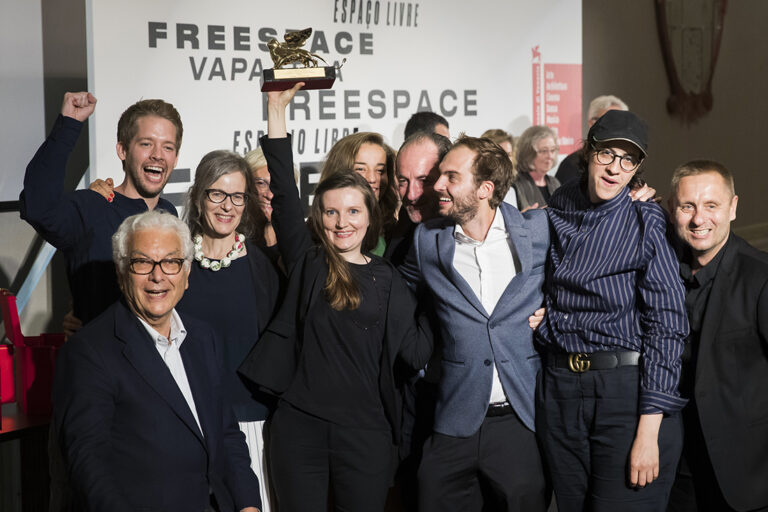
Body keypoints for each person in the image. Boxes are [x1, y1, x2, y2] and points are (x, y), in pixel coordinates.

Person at [238, 83, 432, 512]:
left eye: (353, 211)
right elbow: (285, 195)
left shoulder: (388, 279)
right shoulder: (310, 263)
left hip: (366, 438)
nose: (342, 222)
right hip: (299, 432)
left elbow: (416, 352)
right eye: (331, 211)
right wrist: (275, 109)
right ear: (319, 217)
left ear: (370, 215)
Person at [52, 210, 261, 512]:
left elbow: (226, 433)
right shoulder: (90, 351)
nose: (158, 276)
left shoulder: (203, 339)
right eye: (142, 263)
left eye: (171, 262)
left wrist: (248, 505)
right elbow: (88, 463)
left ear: (187, 274)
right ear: (122, 273)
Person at [535, 110, 687, 511]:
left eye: (628, 160)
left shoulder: (645, 218)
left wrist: (649, 432)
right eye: (607, 154)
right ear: (589, 150)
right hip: (560, 389)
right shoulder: (560, 202)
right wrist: (542, 313)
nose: (615, 169)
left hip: (624, 392)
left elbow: (667, 325)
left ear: (637, 168)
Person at [399, 134, 551, 511]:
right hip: (454, 418)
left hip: (521, 418)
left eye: (451, 176)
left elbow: (584, 272)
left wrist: (555, 311)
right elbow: (391, 292)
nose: (437, 186)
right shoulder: (427, 241)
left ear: (485, 188)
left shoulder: (538, 231)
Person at [177, 150, 282, 512]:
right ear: (198, 196)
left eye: (237, 196)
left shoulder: (261, 267)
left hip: (251, 424)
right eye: (216, 194)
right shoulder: (176, 265)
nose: (227, 206)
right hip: (189, 424)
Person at [20, 91, 182, 325]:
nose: (157, 155)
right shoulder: (92, 206)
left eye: (167, 147)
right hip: (100, 358)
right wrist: (69, 125)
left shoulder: (169, 215)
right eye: (146, 144)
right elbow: (39, 205)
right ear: (122, 150)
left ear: (176, 158)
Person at [666, 161, 768, 512]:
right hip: (675, 474)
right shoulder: (658, 275)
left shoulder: (761, 278)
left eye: (711, 205)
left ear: (733, 208)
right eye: (687, 206)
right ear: (671, 208)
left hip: (747, 478)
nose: (699, 219)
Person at [319, 131, 399, 256]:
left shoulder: (392, 229)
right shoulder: (317, 236)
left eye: (380, 170)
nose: (372, 178)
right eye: (361, 169)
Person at [385, 131, 452, 266]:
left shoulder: (464, 234)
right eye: (403, 181)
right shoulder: (401, 225)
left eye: (424, 181)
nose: (411, 195)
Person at [555, 95, 628, 184]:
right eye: (609, 122)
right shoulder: (571, 165)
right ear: (592, 123)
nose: (615, 128)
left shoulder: (628, 162)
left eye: (620, 123)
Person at [512, 125, 561, 210]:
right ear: (529, 153)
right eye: (544, 151)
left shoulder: (555, 183)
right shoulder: (516, 185)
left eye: (552, 150)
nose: (550, 156)